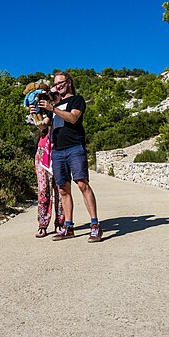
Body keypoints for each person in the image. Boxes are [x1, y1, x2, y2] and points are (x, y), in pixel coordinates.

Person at [38, 72, 102, 242]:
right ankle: (69, 227)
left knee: (82, 184)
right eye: (55, 84)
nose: (58, 86)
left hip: (74, 147)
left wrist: (53, 109)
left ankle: (95, 225)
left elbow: (73, 118)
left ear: (69, 82)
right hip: (57, 151)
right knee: (63, 189)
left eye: (61, 83)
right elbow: (44, 126)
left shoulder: (76, 100)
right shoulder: (55, 106)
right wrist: (35, 114)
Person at [31, 86, 65, 238]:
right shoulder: (44, 112)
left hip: (59, 150)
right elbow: (42, 125)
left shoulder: (63, 109)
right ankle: (42, 224)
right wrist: (34, 114)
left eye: (54, 93)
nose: (50, 96)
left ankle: (61, 223)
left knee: (60, 189)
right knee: (43, 189)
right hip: (43, 151)